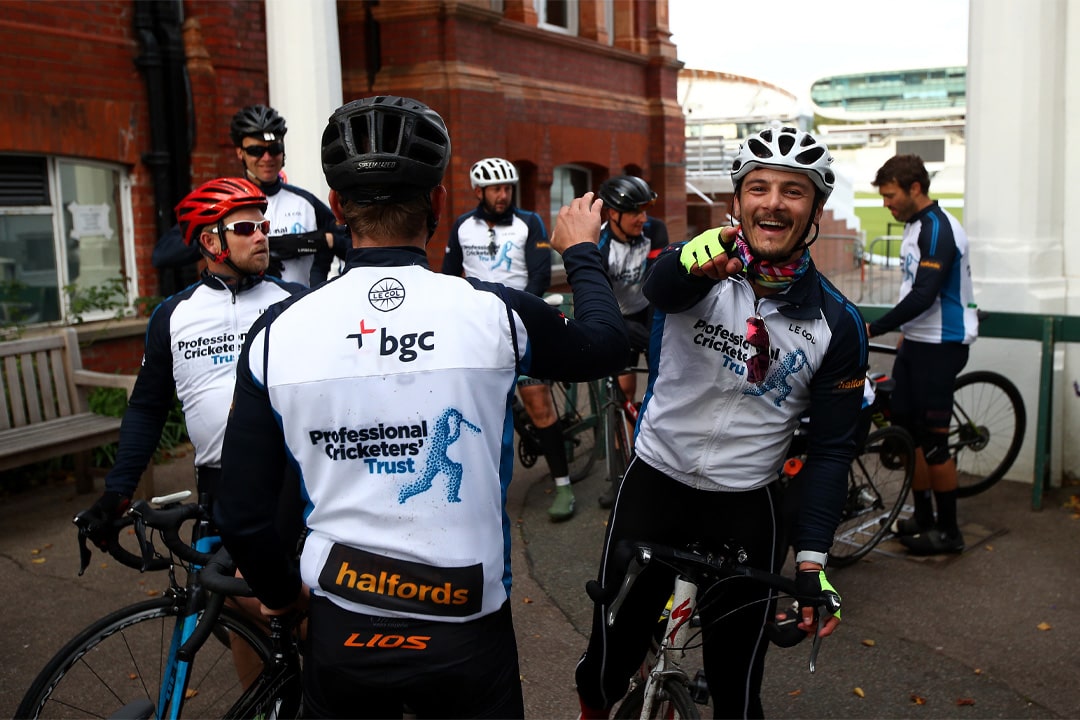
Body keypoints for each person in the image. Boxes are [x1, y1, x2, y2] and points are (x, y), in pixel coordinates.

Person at [213, 95, 628, 719]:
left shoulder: (276, 332)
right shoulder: (493, 313)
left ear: (337, 207)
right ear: (437, 202)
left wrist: (281, 595)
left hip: (342, 622)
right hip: (466, 625)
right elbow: (607, 345)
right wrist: (581, 251)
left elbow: (241, 512)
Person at [575, 127, 869, 719]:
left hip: (745, 506)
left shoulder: (837, 324)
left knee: (737, 693)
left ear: (815, 210)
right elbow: (660, 287)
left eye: (793, 191)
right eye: (758, 188)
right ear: (737, 201)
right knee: (607, 664)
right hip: (656, 485)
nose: (773, 203)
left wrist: (813, 560)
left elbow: (832, 450)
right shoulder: (698, 272)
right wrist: (692, 259)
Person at [74, 176, 305, 547]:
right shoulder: (173, 315)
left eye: (263, 226)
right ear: (210, 242)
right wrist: (117, 491)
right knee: (212, 582)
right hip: (218, 485)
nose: (261, 236)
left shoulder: (296, 302)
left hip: (294, 481)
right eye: (245, 229)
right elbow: (148, 407)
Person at [442, 157, 579, 522]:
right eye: (495, 189)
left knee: (539, 404)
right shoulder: (462, 226)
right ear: (478, 191)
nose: (503, 195)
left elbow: (539, 277)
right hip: (477, 328)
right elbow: (449, 276)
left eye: (507, 188)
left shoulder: (528, 223)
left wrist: (514, 312)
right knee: (476, 408)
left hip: (519, 323)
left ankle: (563, 485)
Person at [868, 154, 977, 555]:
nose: (886, 204)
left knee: (933, 442)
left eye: (890, 195)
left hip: (942, 344)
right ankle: (924, 517)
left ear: (915, 188)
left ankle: (949, 532)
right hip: (917, 341)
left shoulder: (939, 228)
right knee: (907, 434)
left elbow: (925, 294)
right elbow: (911, 288)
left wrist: (874, 327)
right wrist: (905, 334)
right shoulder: (914, 225)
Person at [152, 104, 347, 287]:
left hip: (298, 305)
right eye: (256, 150)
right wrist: (230, 241)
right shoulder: (223, 202)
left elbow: (353, 243)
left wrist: (323, 241)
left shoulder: (305, 202)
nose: (267, 158)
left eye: (274, 149)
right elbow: (163, 254)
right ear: (240, 153)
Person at [594, 175, 668, 508]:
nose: (643, 218)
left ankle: (657, 454)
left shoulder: (655, 231)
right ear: (613, 214)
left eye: (644, 210)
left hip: (647, 308)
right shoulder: (600, 244)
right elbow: (599, 298)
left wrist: (652, 337)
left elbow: (656, 283)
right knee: (622, 393)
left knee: (661, 384)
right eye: (635, 212)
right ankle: (621, 468)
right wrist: (620, 329)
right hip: (615, 314)